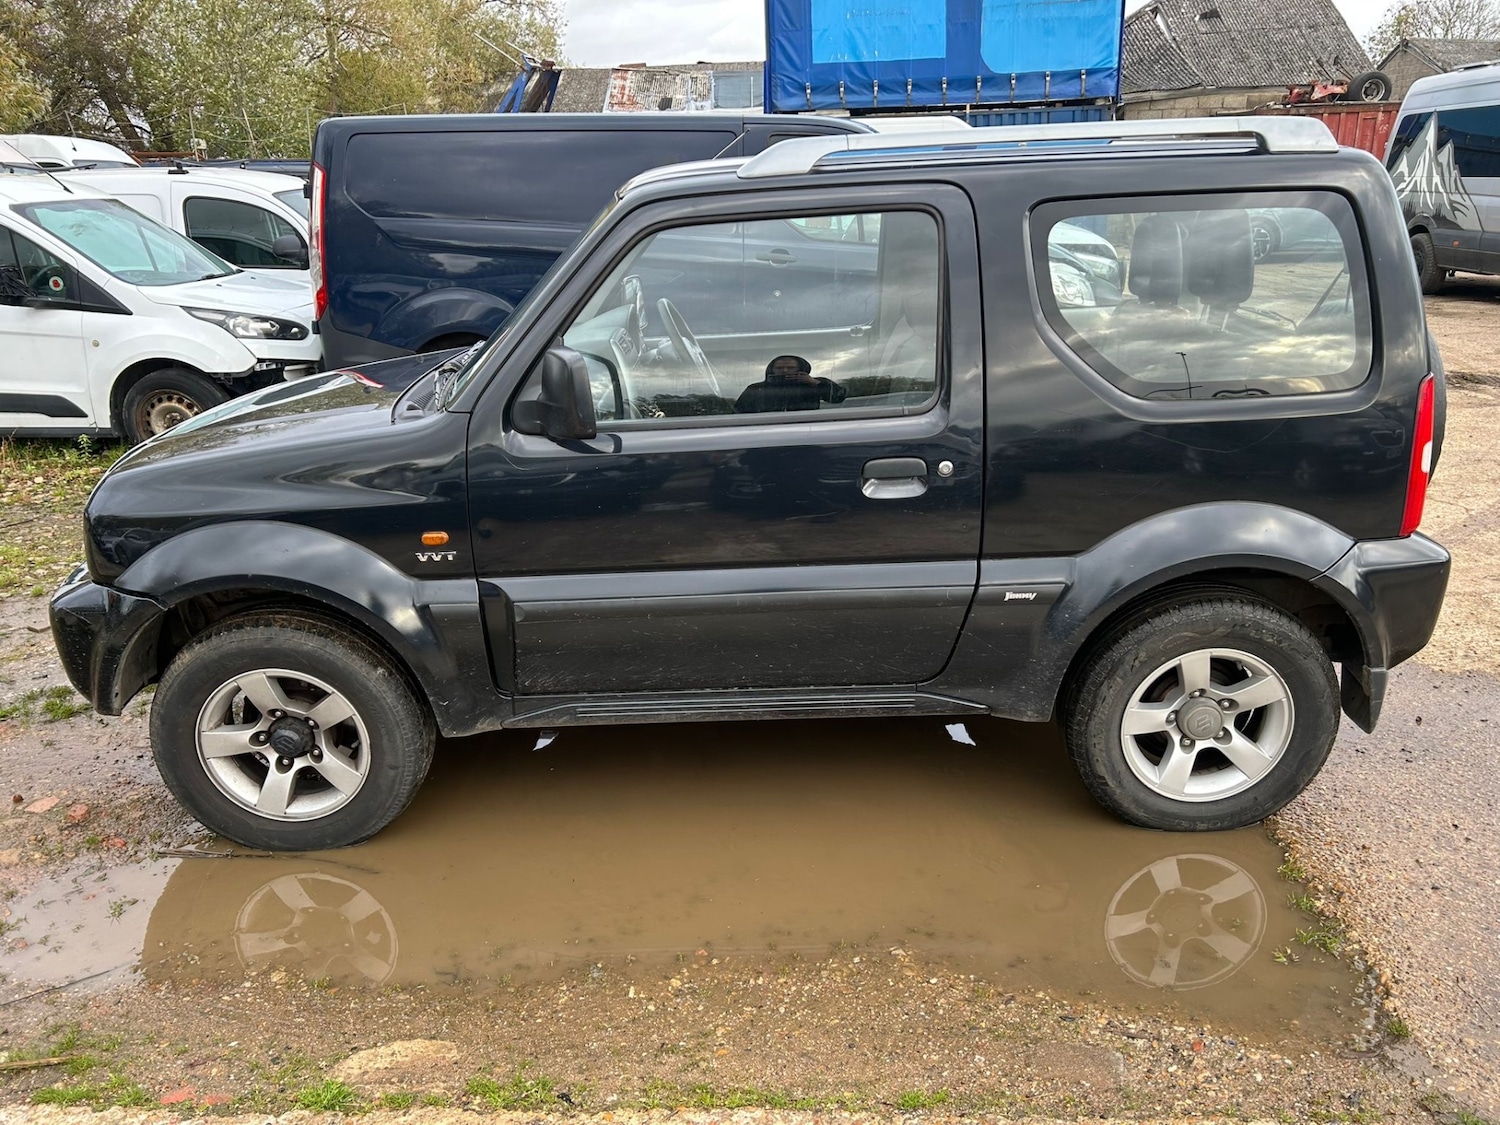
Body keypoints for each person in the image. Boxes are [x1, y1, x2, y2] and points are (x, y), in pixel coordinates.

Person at [734, 355, 847, 414]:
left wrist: (816, 383)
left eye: (791, 367)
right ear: (772, 369)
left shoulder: (814, 383)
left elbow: (838, 398)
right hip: (765, 431)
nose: (785, 370)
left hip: (807, 430)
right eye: (780, 368)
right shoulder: (756, 388)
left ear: (800, 368)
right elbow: (738, 412)